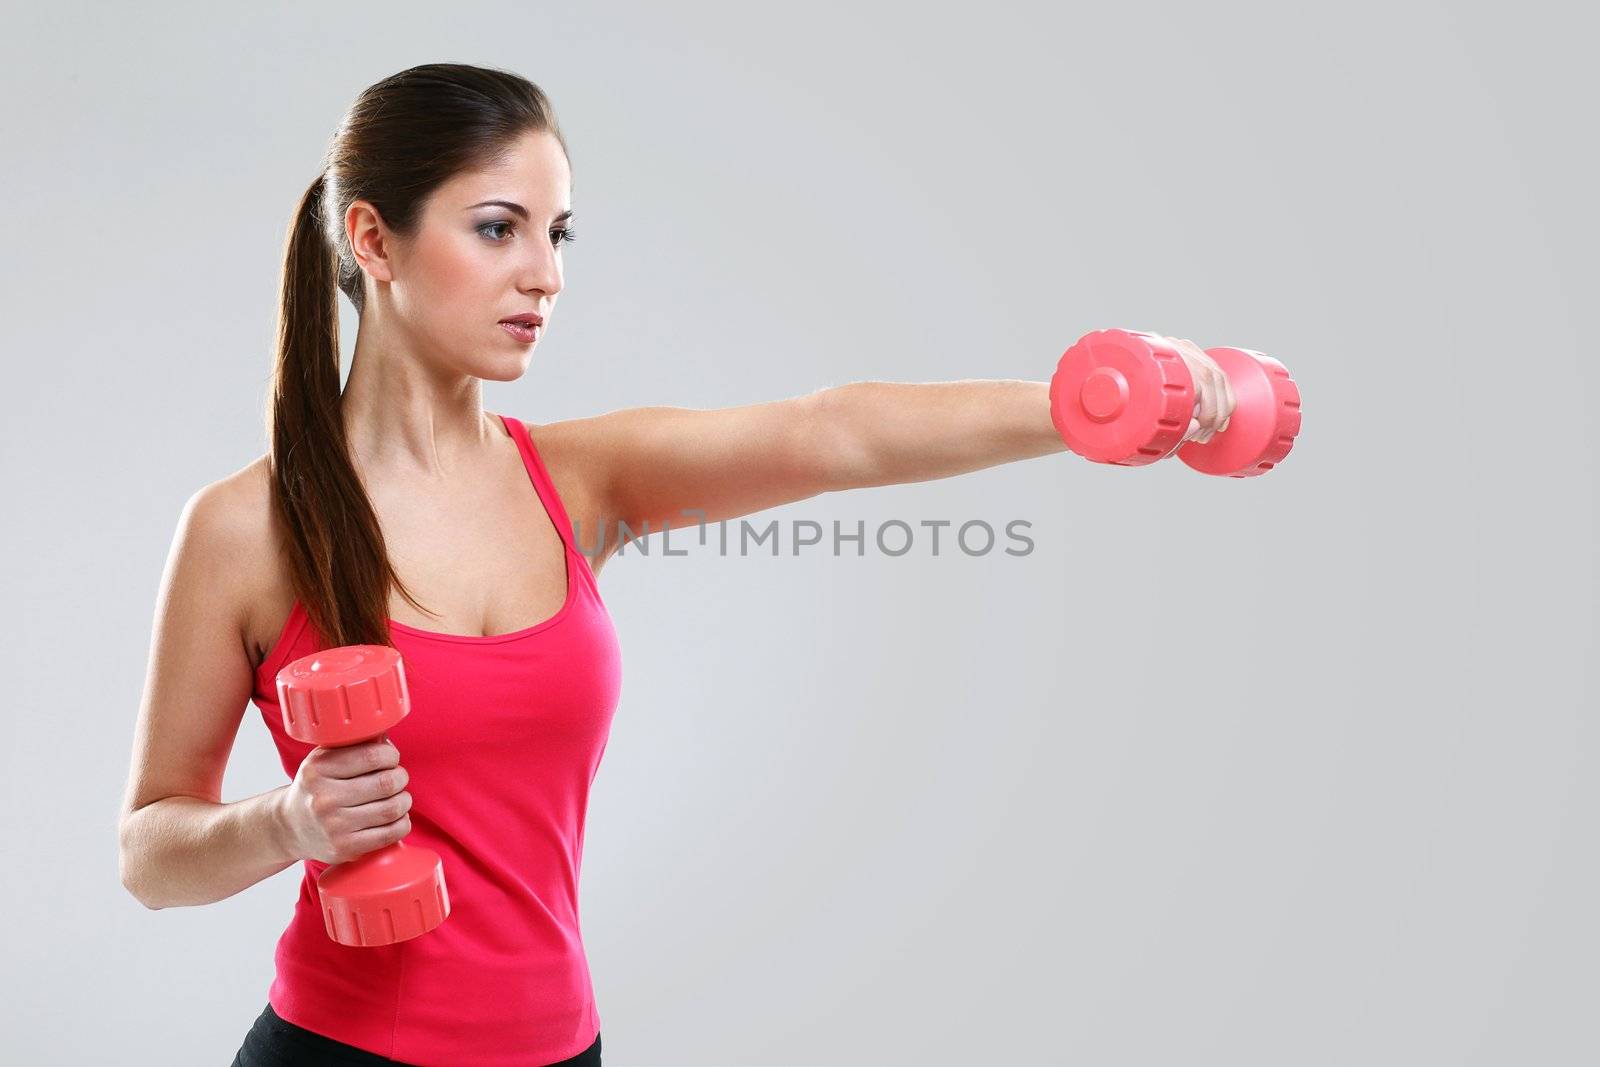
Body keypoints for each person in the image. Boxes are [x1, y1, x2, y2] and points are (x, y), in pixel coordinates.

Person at [116, 62, 1233, 1067]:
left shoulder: (579, 480)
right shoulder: (247, 527)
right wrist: (285, 825)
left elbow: (826, 432)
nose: (544, 274)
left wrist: (1102, 403)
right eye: (499, 228)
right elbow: (151, 851)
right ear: (372, 239)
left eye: (560, 234)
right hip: (340, 1056)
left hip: (563, 1051)